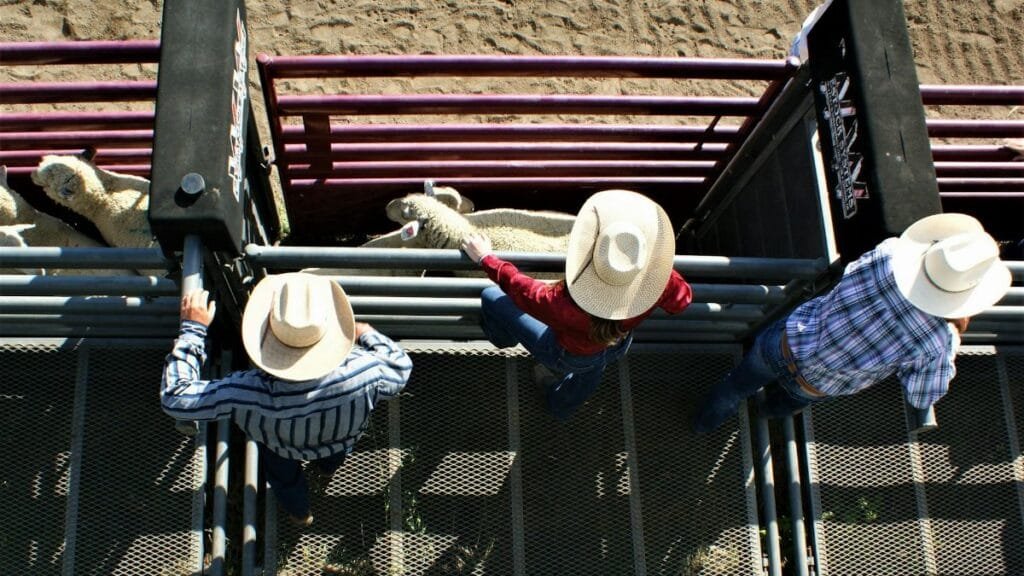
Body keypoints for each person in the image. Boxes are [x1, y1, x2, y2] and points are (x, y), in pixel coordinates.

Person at [693, 213, 1012, 434]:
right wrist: (954, 326)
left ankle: (703, 423)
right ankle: (763, 414)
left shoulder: (889, 254)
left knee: (736, 385)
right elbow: (922, 395)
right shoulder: (940, 340)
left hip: (785, 342)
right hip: (817, 383)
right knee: (785, 403)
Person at [162, 272, 413, 526]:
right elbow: (401, 366)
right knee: (333, 457)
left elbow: (175, 397)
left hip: (280, 447)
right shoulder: (365, 371)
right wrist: (366, 332)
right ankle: (326, 469)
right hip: (338, 439)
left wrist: (192, 331)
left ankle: (300, 513)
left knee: (283, 479)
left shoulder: (248, 392)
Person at [461, 189, 693, 420]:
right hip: (616, 344)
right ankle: (560, 407)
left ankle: (504, 339)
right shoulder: (660, 283)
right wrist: (660, 271)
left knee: (491, 297)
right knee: (592, 369)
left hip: (568, 354)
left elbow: (520, 287)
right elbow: (680, 303)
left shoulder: (561, 304)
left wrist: (486, 258)